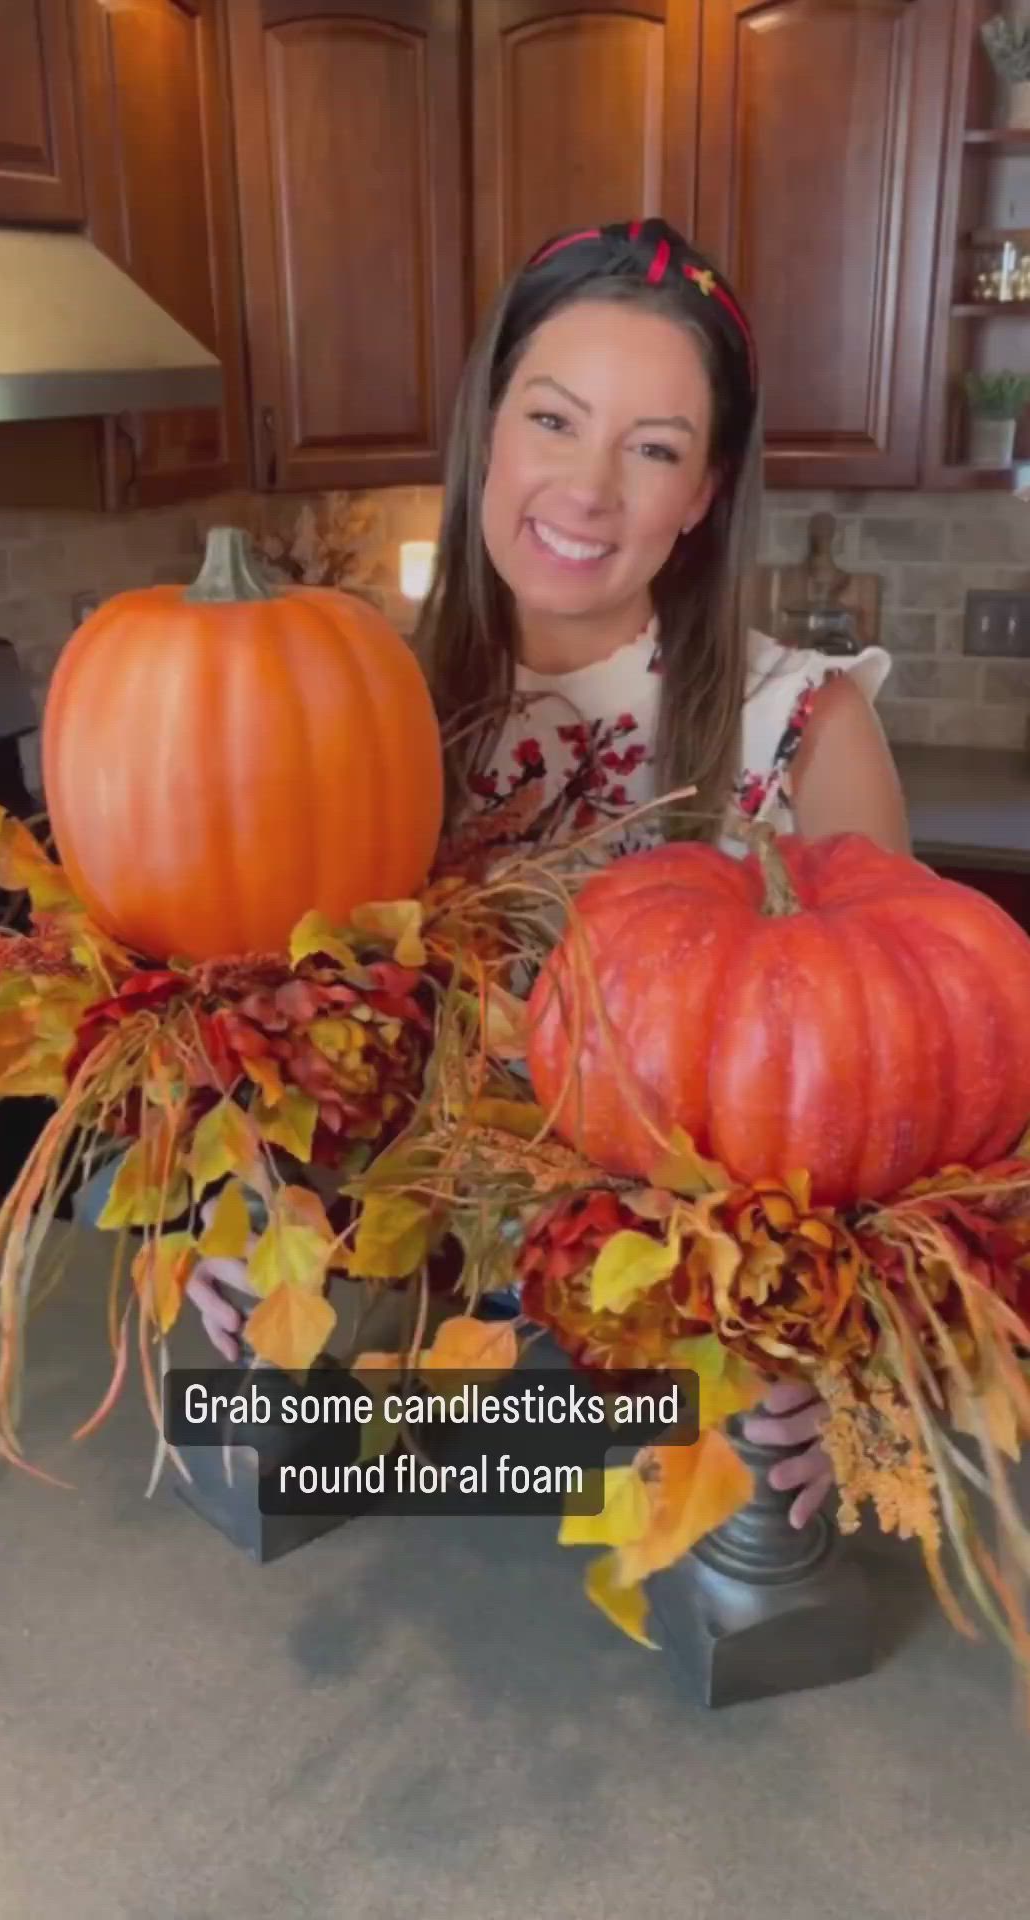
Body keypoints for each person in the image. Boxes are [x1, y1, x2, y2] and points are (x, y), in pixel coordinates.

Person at [187, 218, 909, 1530]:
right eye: (556, 420)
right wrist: (246, 1223)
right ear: (487, 432)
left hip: (679, 1432)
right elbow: (290, 1046)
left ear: (704, 492)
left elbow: (905, 1138)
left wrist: (849, 1366)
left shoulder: (804, 732)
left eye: (654, 450)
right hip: (395, 1403)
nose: (588, 489)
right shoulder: (355, 713)